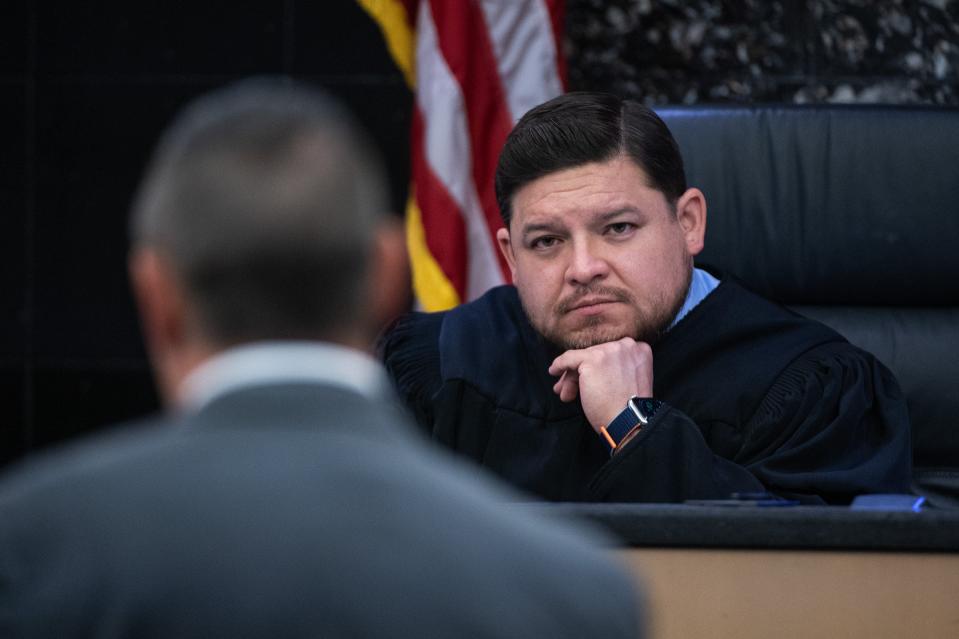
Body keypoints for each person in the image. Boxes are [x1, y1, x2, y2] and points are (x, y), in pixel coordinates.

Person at [0, 81, 643, 638]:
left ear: (156, 297)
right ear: (385, 278)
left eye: (617, 228)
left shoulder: (28, 549)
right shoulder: (571, 592)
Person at [381, 91, 912, 504]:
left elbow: (817, 587)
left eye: (617, 228)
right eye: (547, 241)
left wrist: (635, 424)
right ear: (511, 255)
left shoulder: (810, 386)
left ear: (688, 223)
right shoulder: (445, 362)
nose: (583, 268)